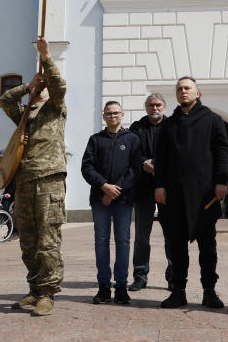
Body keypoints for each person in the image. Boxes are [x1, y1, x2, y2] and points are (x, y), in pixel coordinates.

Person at [0, 37, 67, 317]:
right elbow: (4, 100)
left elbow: (59, 86)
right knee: (27, 239)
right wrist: (28, 87)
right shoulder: (26, 115)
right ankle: (35, 288)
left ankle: (48, 294)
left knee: (47, 239)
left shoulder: (56, 109)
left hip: (49, 179)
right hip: (25, 180)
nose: (42, 91)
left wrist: (47, 57)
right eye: (40, 89)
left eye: (43, 89)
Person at [154, 77, 228, 309]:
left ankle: (209, 291)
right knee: (176, 246)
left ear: (198, 93)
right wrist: (159, 185)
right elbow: (161, 158)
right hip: (174, 195)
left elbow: (222, 151)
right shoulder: (168, 124)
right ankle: (178, 291)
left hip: (205, 194)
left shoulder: (212, 120)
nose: (183, 91)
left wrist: (220, 181)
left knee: (208, 247)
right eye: (179, 89)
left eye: (187, 88)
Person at [81, 101, 141, 305]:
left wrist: (115, 190)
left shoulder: (132, 139)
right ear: (104, 116)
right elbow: (87, 167)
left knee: (123, 242)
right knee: (101, 241)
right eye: (108, 113)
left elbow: (135, 169)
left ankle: (122, 286)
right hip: (100, 200)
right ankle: (104, 287)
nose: (112, 116)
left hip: (123, 200)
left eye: (115, 113)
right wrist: (104, 186)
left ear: (122, 115)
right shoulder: (95, 140)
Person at [128, 93, 173, 292]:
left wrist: (163, 166)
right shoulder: (136, 128)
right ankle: (140, 275)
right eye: (151, 105)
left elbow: (180, 151)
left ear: (164, 107)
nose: (155, 108)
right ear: (146, 107)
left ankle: (174, 276)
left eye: (158, 105)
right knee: (141, 235)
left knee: (171, 234)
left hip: (169, 187)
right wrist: (142, 162)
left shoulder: (174, 125)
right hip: (143, 187)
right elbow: (130, 152)